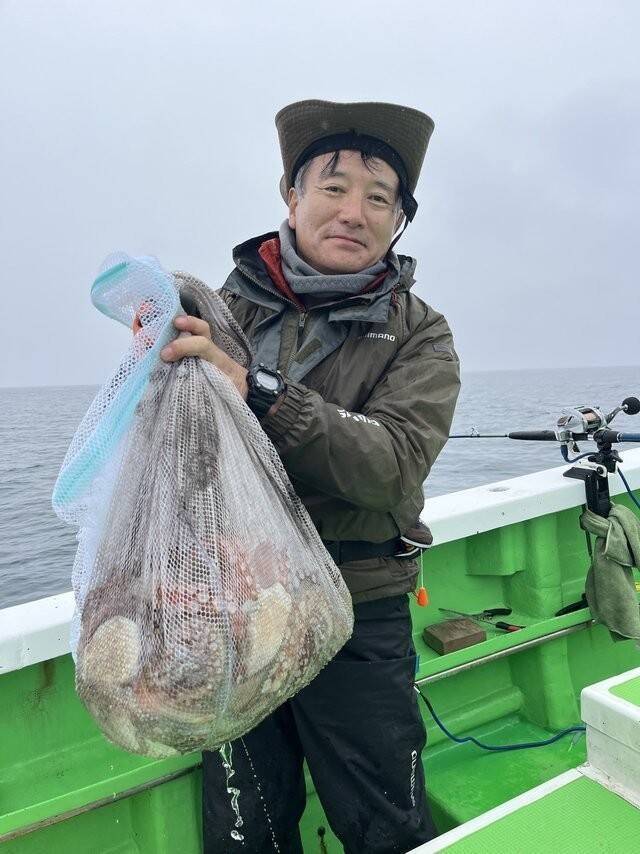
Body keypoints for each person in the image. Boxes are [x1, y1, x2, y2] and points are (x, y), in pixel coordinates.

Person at [159, 100, 461, 853]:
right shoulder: (219, 312)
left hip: (357, 613)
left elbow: (390, 468)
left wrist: (257, 390)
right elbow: (173, 461)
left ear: (397, 222)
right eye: (333, 187)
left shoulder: (420, 333)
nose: (353, 211)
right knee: (243, 832)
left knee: (387, 824)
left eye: (379, 198)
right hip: (234, 616)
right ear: (291, 196)